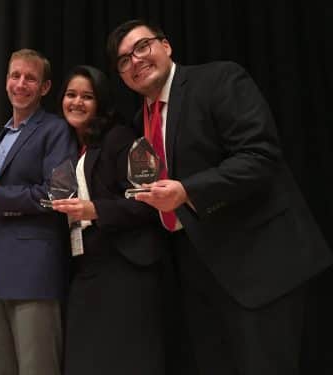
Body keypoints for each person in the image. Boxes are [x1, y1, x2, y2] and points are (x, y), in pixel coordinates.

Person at [106, 19, 333, 375]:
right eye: (123, 61)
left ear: (166, 46)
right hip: (198, 276)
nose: (134, 61)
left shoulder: (218, 79)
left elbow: (259, 156)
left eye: (142, 47)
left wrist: (188, 191)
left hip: (258, 265)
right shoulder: (141, 121)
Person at [0, 48, 77, 375]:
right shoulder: (2, 135)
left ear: (45, 87)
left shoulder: (55, 130)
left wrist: (0, 196)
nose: (21, 83)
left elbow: (60, 194)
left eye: (31, 78)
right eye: (15, 75)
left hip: (34, 272)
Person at [51, 65, 168, 375]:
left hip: (126, 269)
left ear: (100, 102)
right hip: (86, 268)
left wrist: (96, 210)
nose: (76, 102)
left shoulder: (122, 137)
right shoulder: (68, 147)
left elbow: (149, 199)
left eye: (87, 97)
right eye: (71, 95)